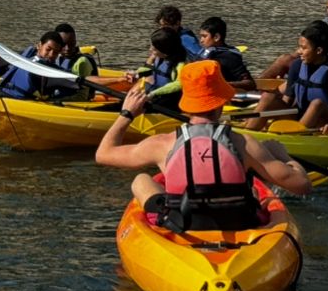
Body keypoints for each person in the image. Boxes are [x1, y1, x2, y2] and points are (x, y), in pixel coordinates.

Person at [96, 59, 312, 231]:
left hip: (182, 223)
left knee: (141, 179)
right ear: (221, 102)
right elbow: (302, 185)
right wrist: (282, 156)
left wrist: (127, 113)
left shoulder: (162, 144)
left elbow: (104, 154)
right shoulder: (244, 143)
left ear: (187, 103)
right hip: (240, 222)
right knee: (255, 191)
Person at [248, 21, 328, 134]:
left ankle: (296, 135)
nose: (299, 52)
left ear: (319, 51)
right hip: (299, 114)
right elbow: (287, 101)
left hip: (324, 119)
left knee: (317, 104)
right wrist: (271, 112)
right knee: (268, 97)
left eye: (303, 48)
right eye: (299, 47)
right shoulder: (297, 65)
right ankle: (248, 131)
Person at [260, 0, 328, 80]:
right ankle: (258, 84)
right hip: (313, 61)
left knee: (285, 60)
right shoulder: (323, 23)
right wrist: (294, 56)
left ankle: (254, 86)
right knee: (285, 59)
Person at [128, 27, 190, 106]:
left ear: (165, 51)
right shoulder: (160, 57)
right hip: (154, 95)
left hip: (168, 103)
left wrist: (153, 94)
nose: (150, 49)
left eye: (154, 49)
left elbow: (179, 84)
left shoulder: (180, 65)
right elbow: (150, 70)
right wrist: (136, 74)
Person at [196, 16, 255, 91]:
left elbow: (250, 84)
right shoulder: (203, 54)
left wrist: (224, 84)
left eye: (204, 36)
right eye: (201, 36)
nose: (201, 40)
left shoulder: (230, 57)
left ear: (216, 37)